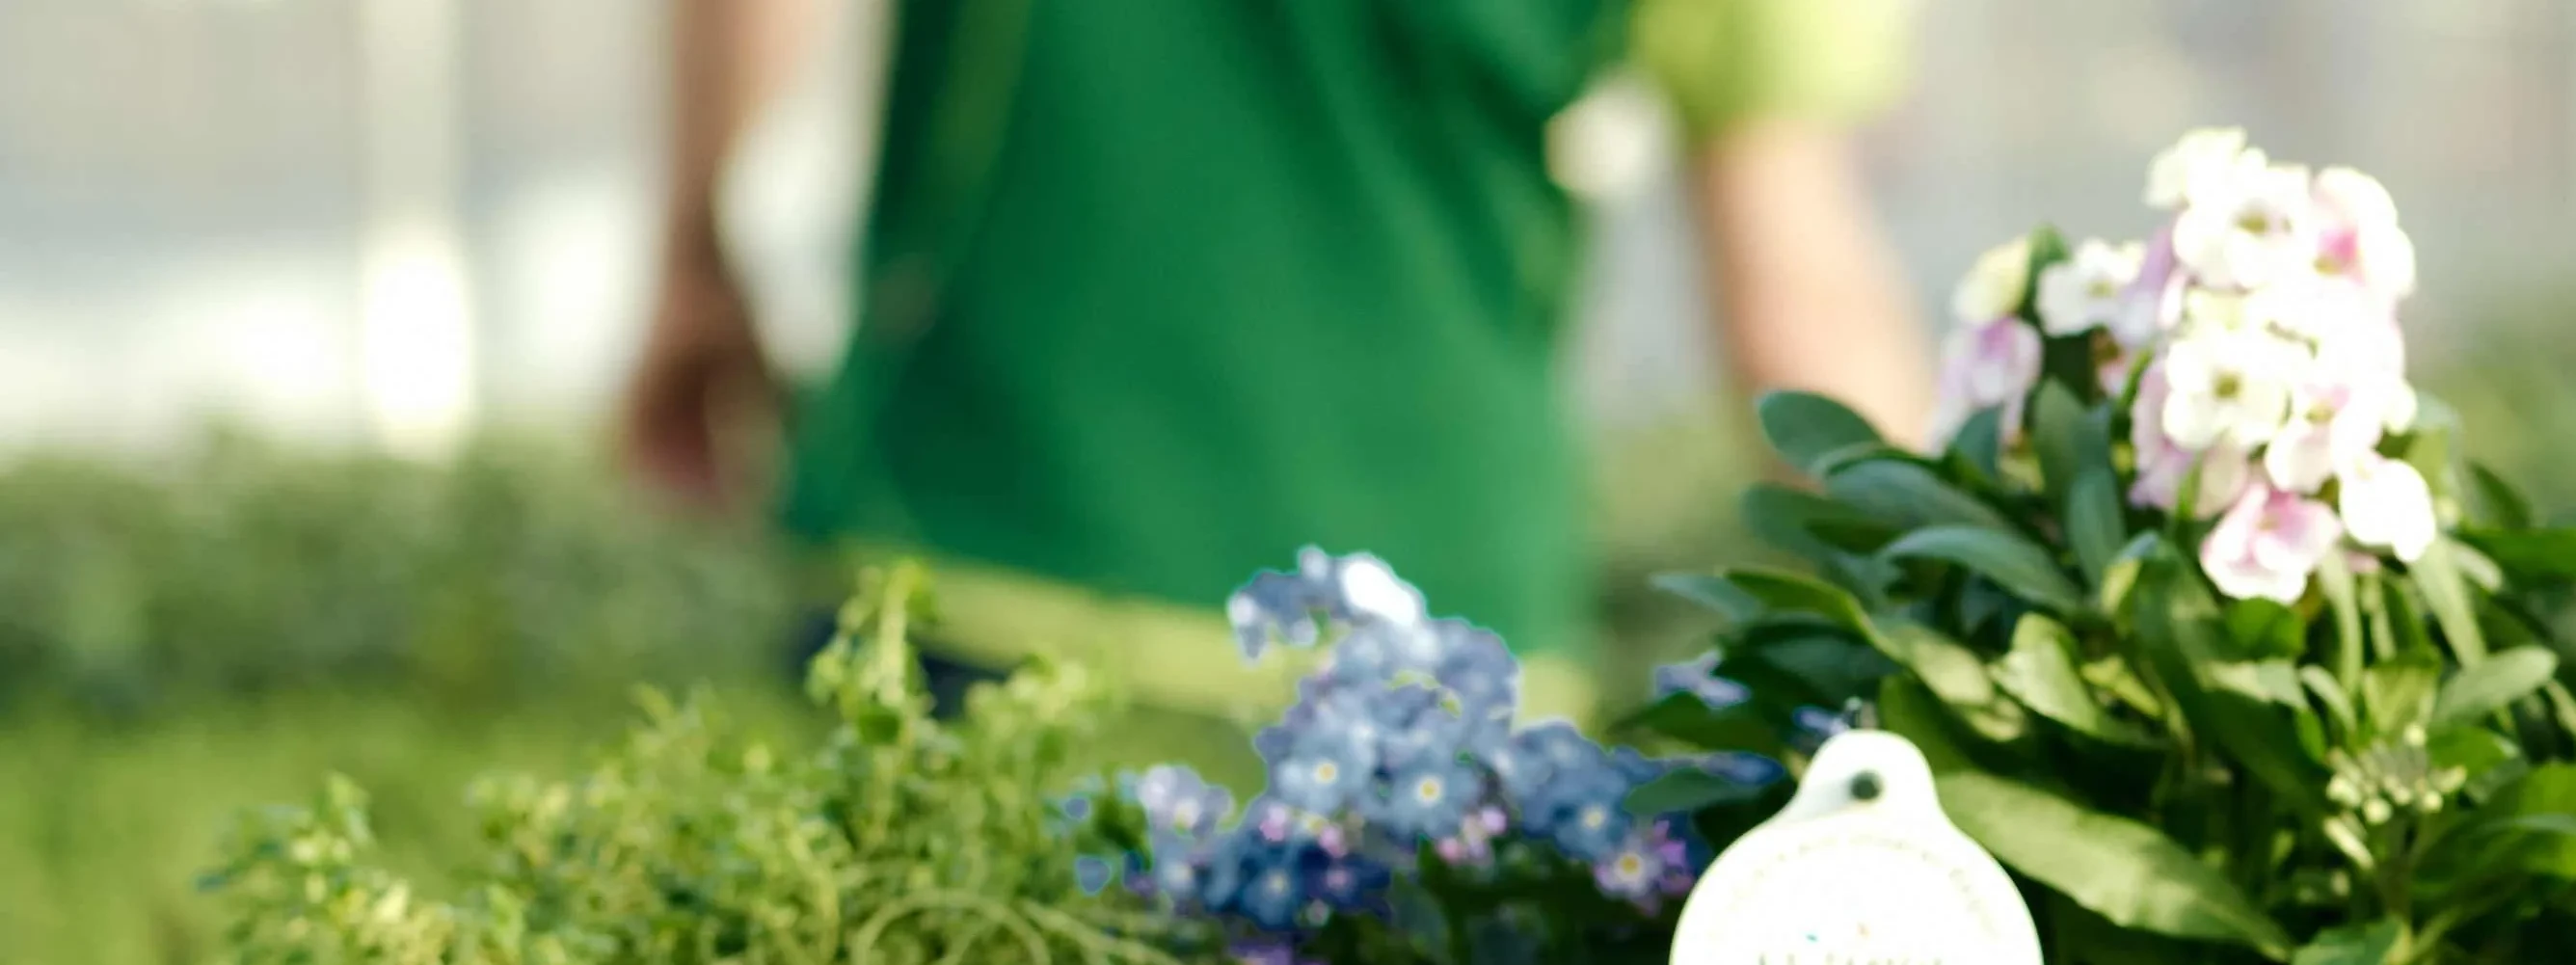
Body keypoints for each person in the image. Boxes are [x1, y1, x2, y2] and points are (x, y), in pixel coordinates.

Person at [622, 0, 1935, 670]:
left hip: (982, 555)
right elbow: (1799, 315)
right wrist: (1977, 654)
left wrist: (697, 267)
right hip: (1440, 672)